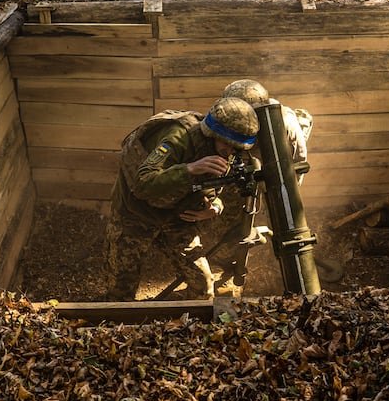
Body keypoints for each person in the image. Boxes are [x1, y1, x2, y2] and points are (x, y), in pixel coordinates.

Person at [103, 96, 260, 300]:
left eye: (236, 147)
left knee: (203, 287)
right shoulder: (178, 137)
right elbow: (142, 184)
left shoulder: (227, 153)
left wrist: (214, 207)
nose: (230, 151)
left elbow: (215, 191)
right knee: (120, 292)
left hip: (177, 219)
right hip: (135, 214)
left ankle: (176, 321)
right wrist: (190, 169)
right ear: (213, 133)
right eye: (227, 144)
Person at [203, 80, 313, 288]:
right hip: (246, 155)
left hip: (276, 157)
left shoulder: (285, 124)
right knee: (233, 206)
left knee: (282, 217)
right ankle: (228, 252)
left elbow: (297, 161)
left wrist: (284, 195)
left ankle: (281, 265)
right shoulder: (229, 116)